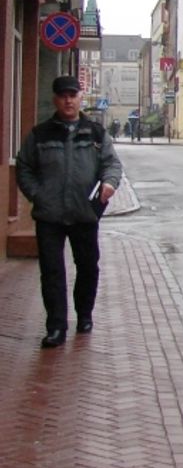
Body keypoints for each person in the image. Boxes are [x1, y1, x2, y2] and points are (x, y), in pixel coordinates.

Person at [16, 75, 123, 349]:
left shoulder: (96, 133)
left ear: (79, 97)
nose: (68, 100)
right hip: (49, 215)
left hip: (84, 213)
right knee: (51, 272)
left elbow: (111, 164)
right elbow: (24, 167)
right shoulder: (41, 134)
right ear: (55, 99)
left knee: (87, 267)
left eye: (73, 95)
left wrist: (109, 184)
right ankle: (56, 327)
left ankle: (84, 314)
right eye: (63, 95)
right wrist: (37, 195)